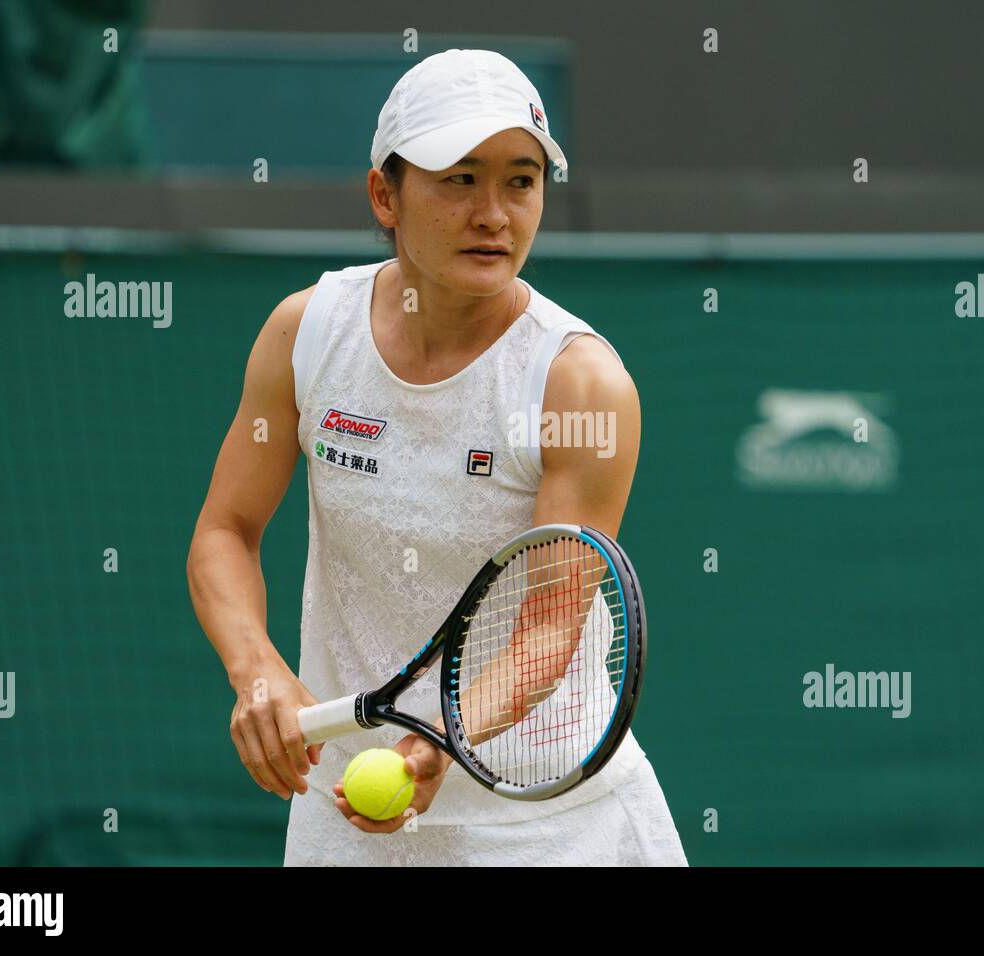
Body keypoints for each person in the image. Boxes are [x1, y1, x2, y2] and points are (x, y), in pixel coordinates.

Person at [187, 48, 687, 866]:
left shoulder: (580, 382)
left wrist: (441, 743)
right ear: (386, 194)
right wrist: (259, 674)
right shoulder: (305, 334)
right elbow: (224, 532)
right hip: (347, 815)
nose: (494, 212)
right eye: (459, 178)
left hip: (553, 831)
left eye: (521, 181)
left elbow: (549, 627)